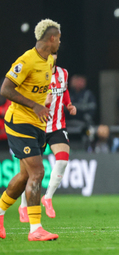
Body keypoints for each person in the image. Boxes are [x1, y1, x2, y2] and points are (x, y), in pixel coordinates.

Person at [0, 18, 61, 241]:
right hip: (18, 122)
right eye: (59, 39)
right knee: (38, 172)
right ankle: (35, 229)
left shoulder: (49, 62)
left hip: (37, 124)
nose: (59, 44)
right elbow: (5, 89)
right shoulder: (26, 60)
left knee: (26, 175)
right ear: (52, 38)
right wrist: (35, 105)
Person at [18, 52, 77, 222]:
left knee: (63, 160)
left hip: (57, 126)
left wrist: (69, 105)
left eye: (56, 52)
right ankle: (23, 205)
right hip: (37, 126)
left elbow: (64, 91)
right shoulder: (35, 74)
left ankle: (48, 197)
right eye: (50, 52)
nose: (54, 55)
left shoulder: (63, 73)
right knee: (30, 171)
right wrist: (43, 103)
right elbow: (26, 99)